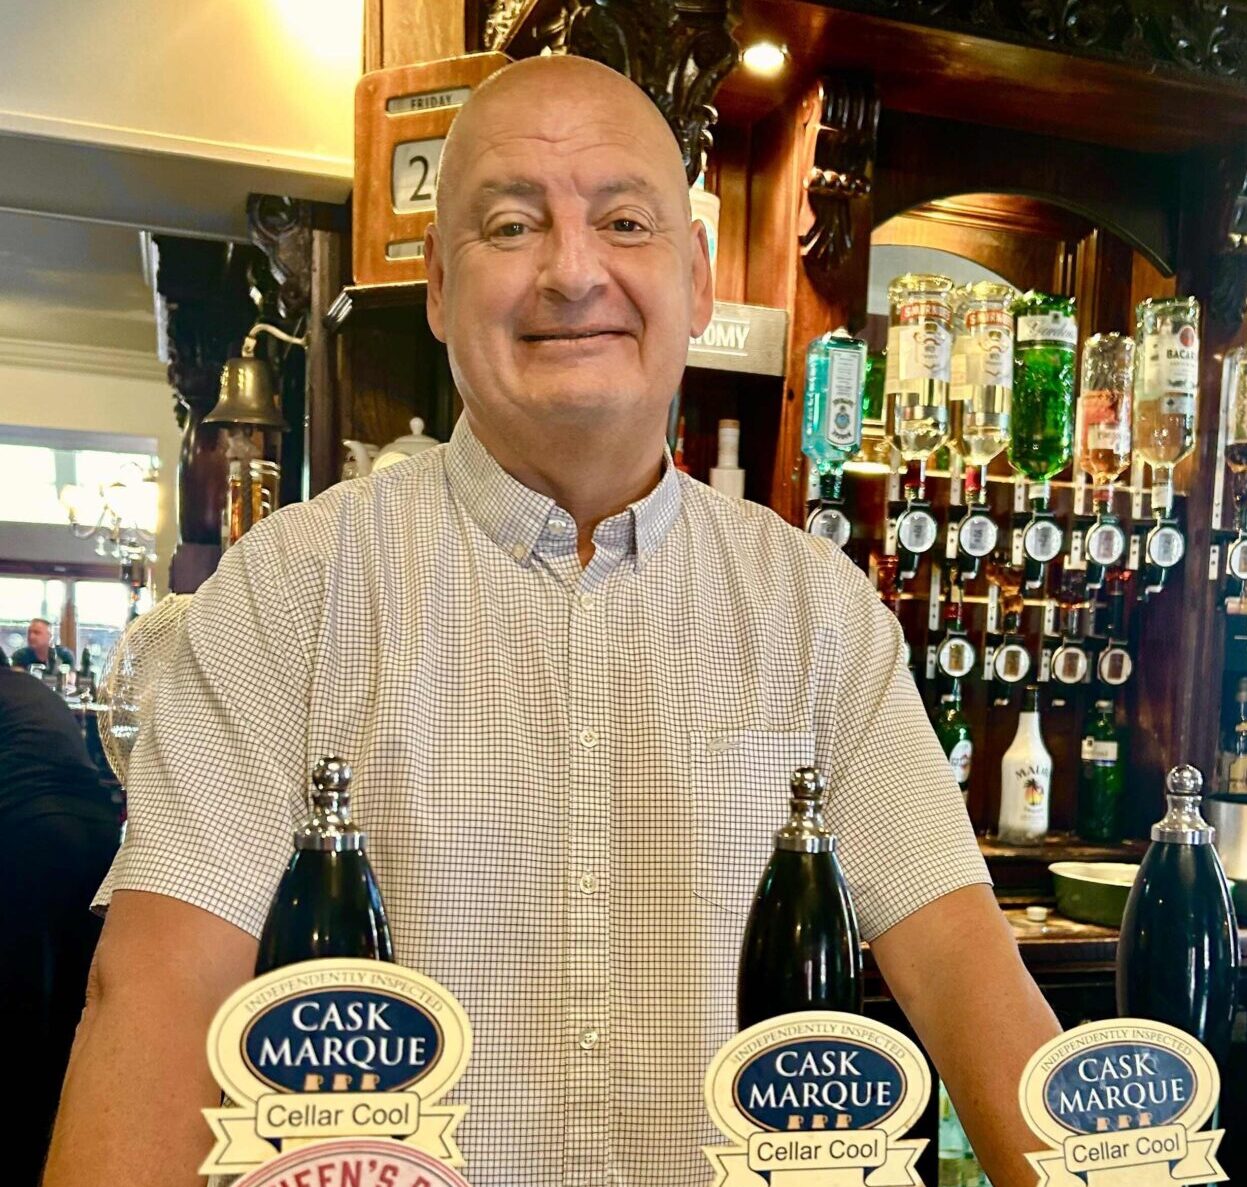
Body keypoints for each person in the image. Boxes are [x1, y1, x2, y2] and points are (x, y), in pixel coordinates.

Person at [44, 56, 1059, 1187]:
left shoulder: (818, 612)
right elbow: (157, 996)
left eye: (623, 221)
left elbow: (976, 987)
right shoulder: (289, 590)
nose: (572, 272)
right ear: (435, 282)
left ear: (694, 274)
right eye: (511, 225)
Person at [0, 665, 120, 1186]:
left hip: (28, 831)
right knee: (75, 1003)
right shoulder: (29, 689)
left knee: (20, 999)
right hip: (94, 834)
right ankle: (61, 1124)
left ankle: (21, 1143)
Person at [11, 618, 75, 672]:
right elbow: (18, 680)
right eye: (29, 632)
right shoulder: (20, 655)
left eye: (36, 633)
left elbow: (70, 680)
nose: (31, 636)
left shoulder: (64, 655)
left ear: (49, 636)